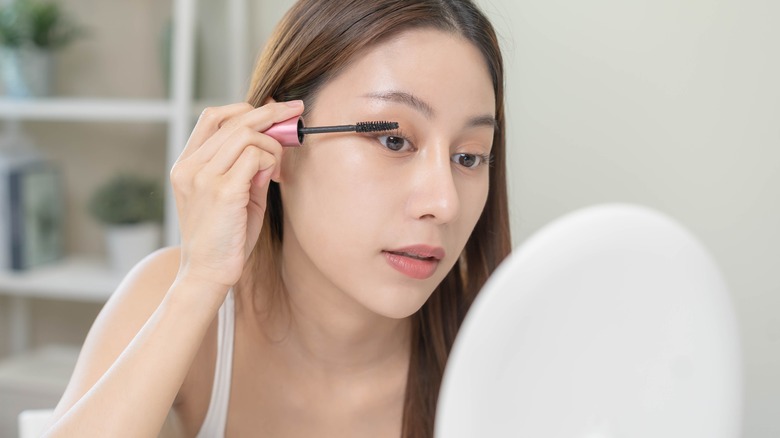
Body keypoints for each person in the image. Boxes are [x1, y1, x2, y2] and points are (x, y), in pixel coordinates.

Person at [45, 0, 510, 436]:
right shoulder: (177, 297)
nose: (444, 203)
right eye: (393, 141)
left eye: (469, 157)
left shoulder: (504, 347)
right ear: (278, 141)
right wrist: (201, 281)